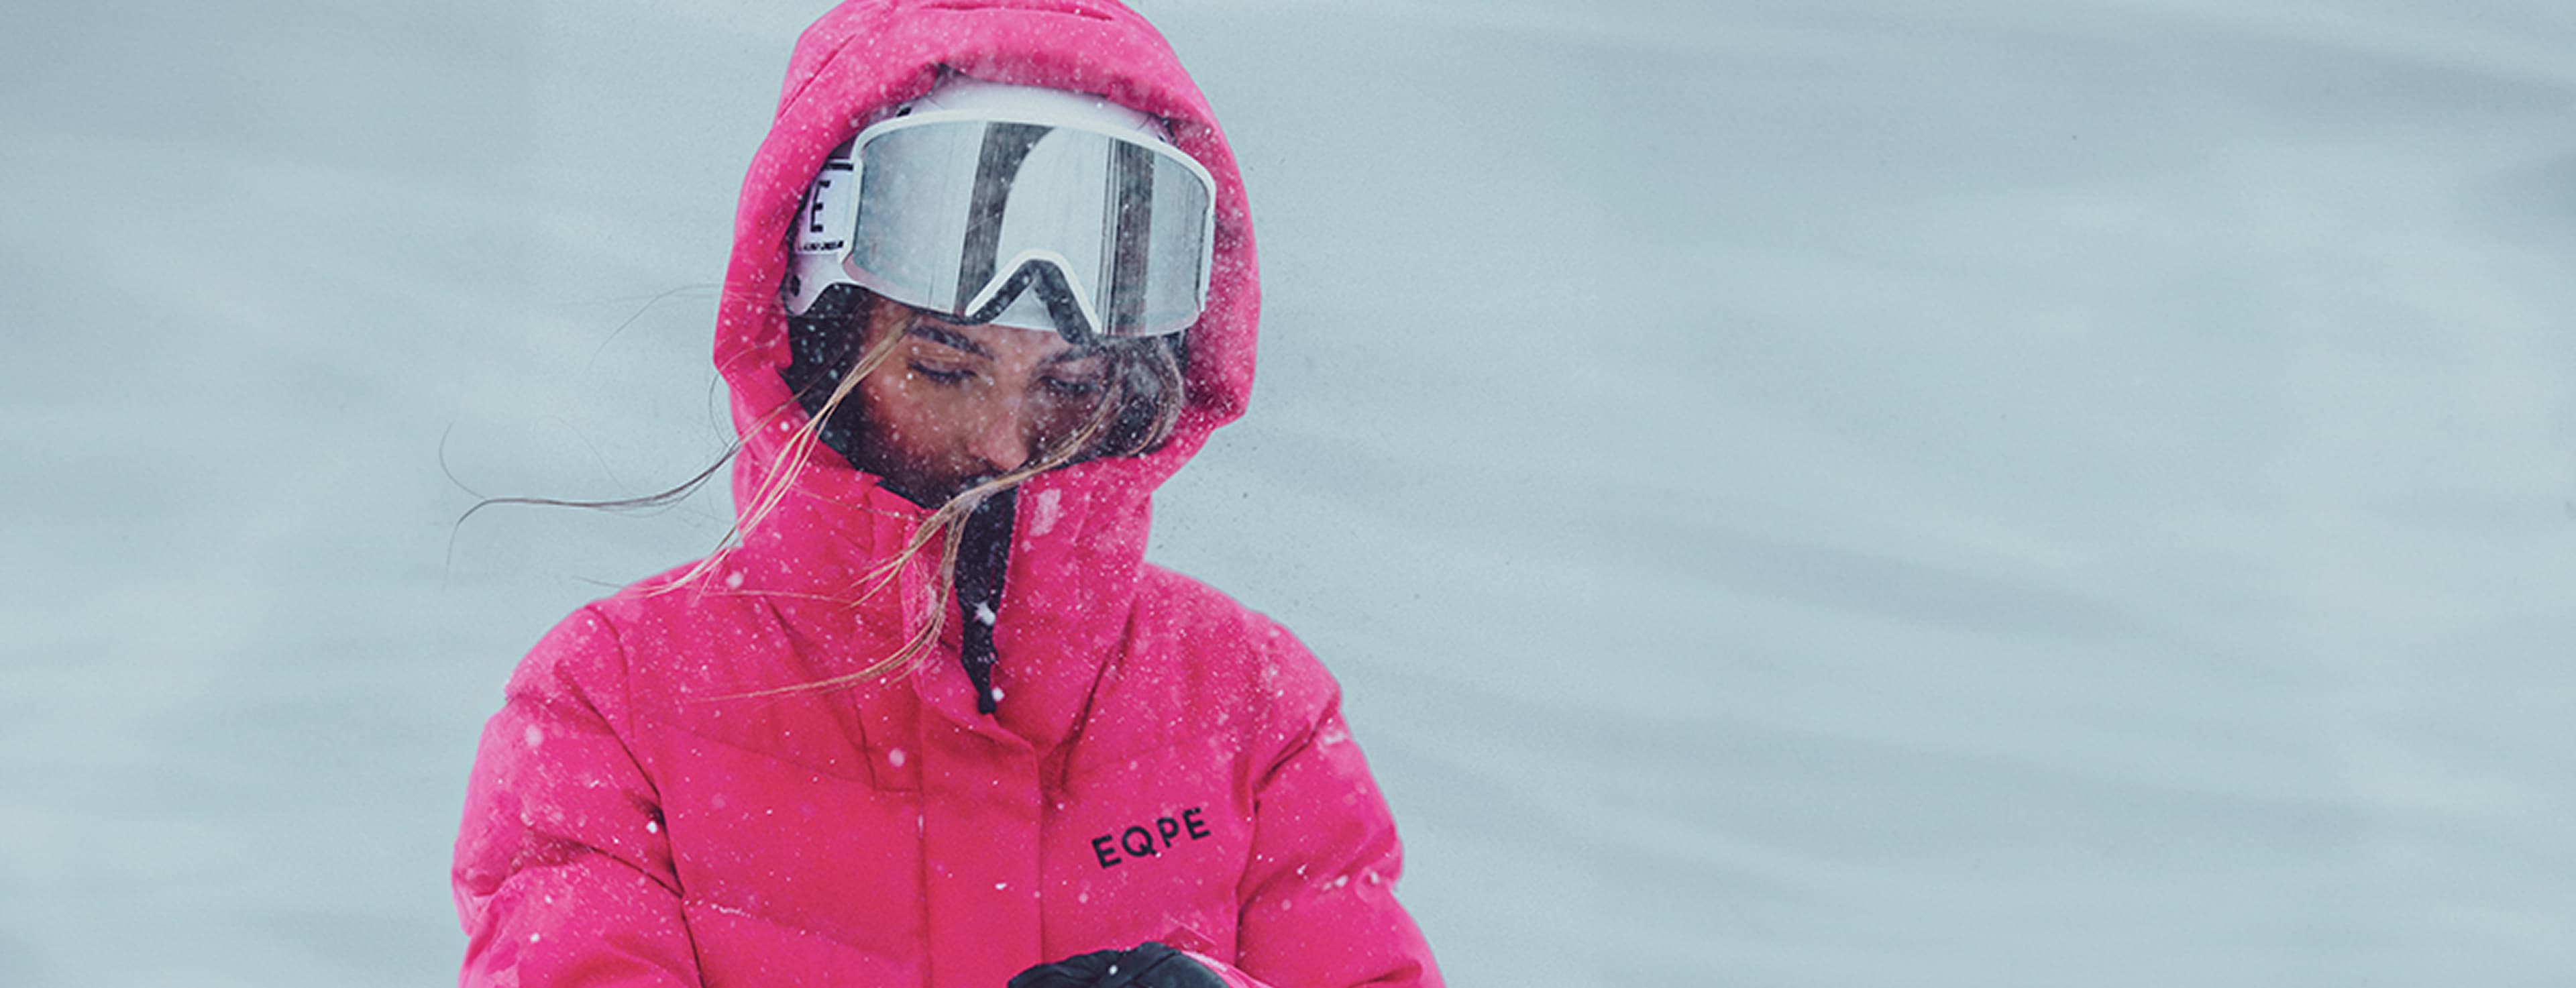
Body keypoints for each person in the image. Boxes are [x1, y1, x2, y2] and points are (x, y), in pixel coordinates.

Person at [450, 2, 1443, 987]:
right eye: (942, 366)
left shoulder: (1252, 709)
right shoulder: (613, 698)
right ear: (828, 337)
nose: (1006, 443)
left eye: (1070, 384)